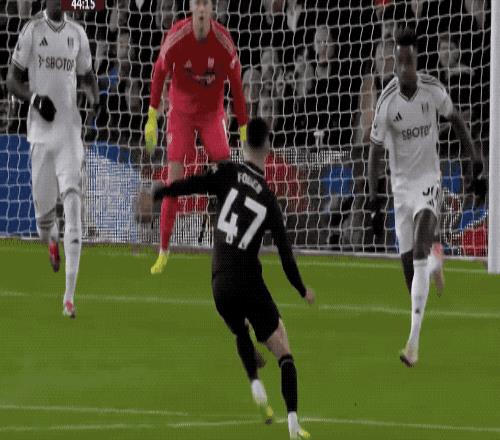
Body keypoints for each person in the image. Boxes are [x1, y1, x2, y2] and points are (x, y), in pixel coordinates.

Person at [153, 118, 314, 440]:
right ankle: (294, 424)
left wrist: (165, 190)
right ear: (268, 147)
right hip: (248, 281)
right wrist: (301, 289)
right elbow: (285, 255)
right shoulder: (268, 199)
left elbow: (194, 184)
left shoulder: (227, 173)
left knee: (240, 329)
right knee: (283, 351)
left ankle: (255, 384)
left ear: (242, 144)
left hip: (219, 282)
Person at [367, 28, 486, 367]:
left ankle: (412, 344)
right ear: (395, 62)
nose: (404, 67)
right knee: (412, 273)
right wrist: (374, 201)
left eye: (409, 60)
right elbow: (375, 152)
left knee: (420, 245)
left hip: (428, 182)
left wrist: (475, 167)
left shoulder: (433, 89)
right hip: (400, 189)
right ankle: (434, 261)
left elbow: (458, 122)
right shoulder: (387, 101)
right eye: (400, 61)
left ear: (416, 60)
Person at [6, 0, 99, 318]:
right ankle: (51, 240)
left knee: (73, 204)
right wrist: (34, 98)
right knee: (44, 224)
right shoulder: (32, 30)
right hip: (41, 136)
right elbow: (11, 80)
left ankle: (69, 298)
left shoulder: (78, 33)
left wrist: (94, 98)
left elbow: (87, 76)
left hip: (70, 134)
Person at [145, 0, 248, 275]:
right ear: (191, 7)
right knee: (174, 179)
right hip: (181, 112)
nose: (202, 9)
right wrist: (152, 115)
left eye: (206, 4)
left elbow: (237, 86)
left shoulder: (224, 42)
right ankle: (163, 250)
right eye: (198, 3)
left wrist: (243, 127)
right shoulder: (177, 36)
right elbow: (159, 72)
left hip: (212, 114)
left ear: (212, 9)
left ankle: (232, 248)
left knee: (228, 177)